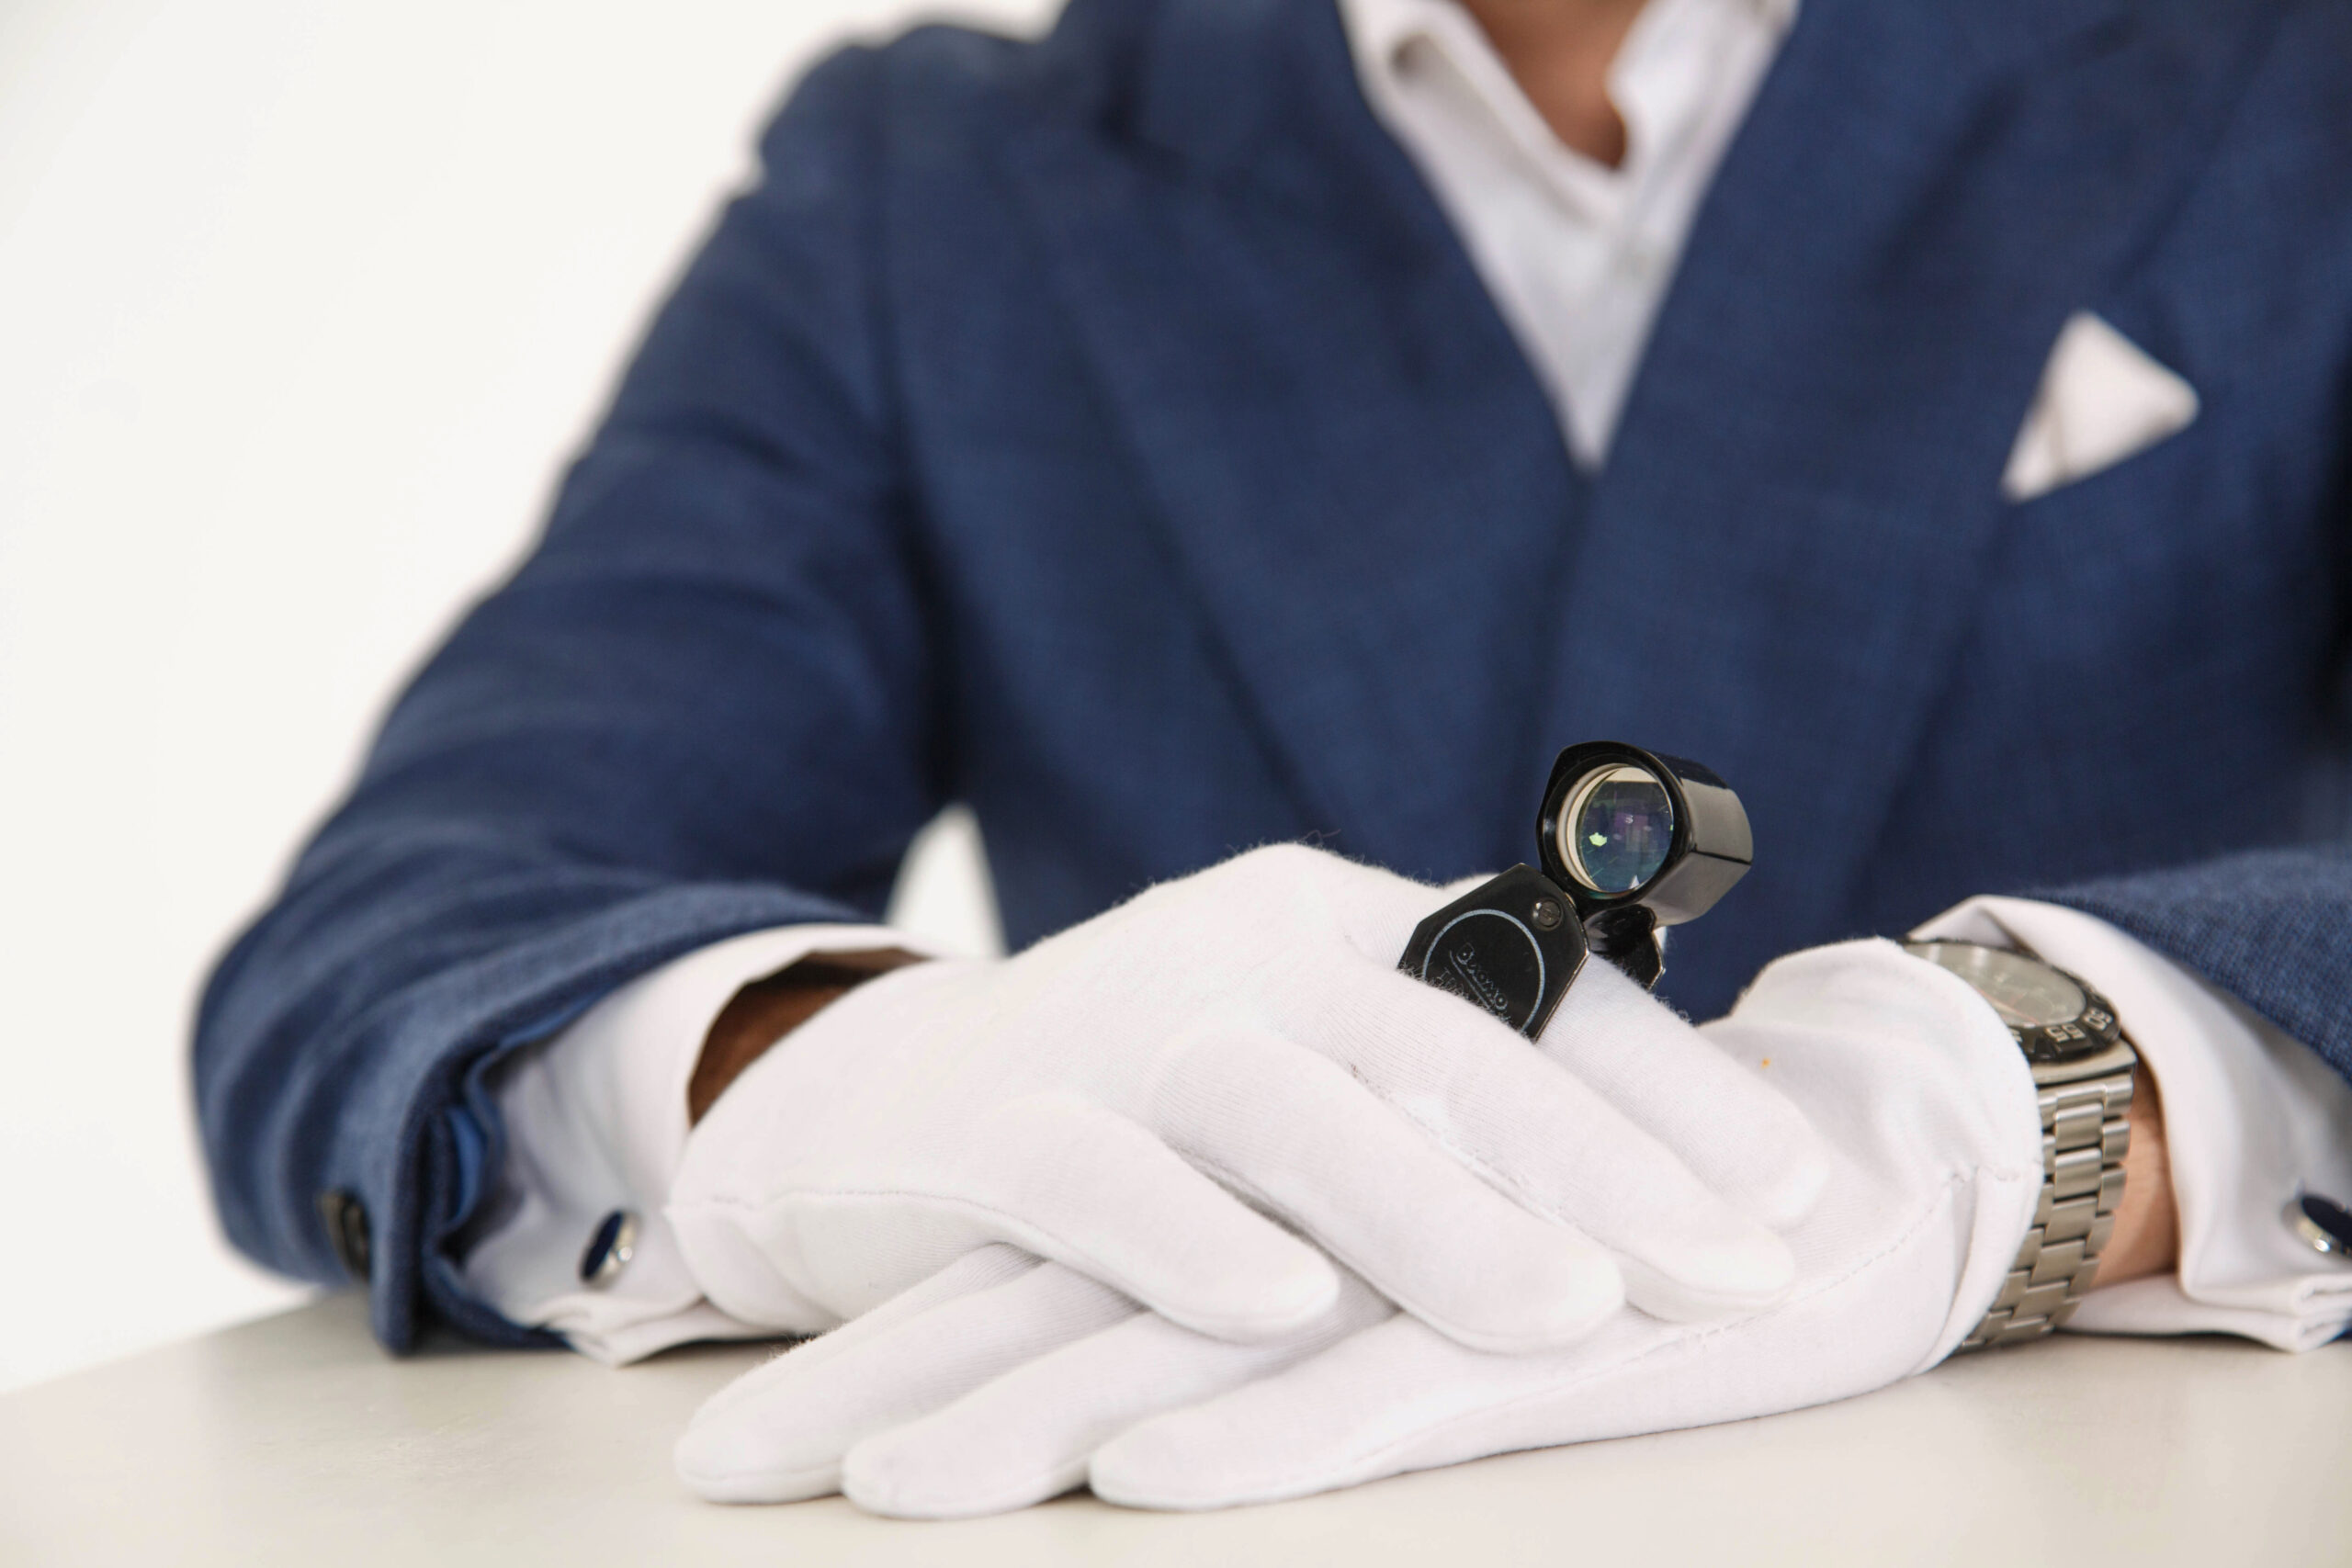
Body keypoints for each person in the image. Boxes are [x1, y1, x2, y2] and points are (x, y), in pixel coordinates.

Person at [196, 0, 2352, 1519]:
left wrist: (2050, 1110)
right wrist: (825, 1073)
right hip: (1187, 1497)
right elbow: (406, 930)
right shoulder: (933, 194)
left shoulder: (2284, 74)